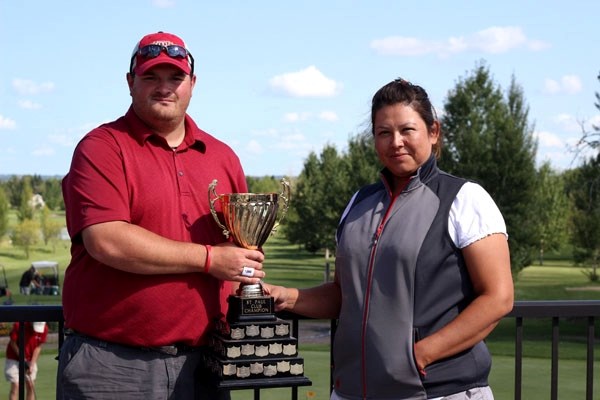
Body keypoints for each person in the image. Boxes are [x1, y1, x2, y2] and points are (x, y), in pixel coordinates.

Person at [267, 78, 514, 400]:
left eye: (407, 130)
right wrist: (286, 297)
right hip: (352, 390)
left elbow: (498, 297)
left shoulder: (465, 198)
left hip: (438, 391)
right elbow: (344, 295)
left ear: (433, 131)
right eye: (384, 132)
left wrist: (419, 356)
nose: (395, 142)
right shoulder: (358, 203)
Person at [57, 31, 266, 400]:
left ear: (192, 84)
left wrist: (249, 304)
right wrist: (208, 259)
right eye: (151, 76)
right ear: (130, 82)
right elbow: (106, 240)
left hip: (205, 365)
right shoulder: (102, 148)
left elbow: (236, 251)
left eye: (175, 78)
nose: (164, 87)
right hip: (111, 366)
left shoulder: (222, 156)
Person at [4, 321, 48, 400]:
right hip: (14, 358)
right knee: (16, 385)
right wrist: (22, 358)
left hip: (30, 359)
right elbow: (13, 342)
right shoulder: (19, 325)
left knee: (30, 386)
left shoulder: (44, 328)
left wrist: (32, 364)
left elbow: (38, 347)